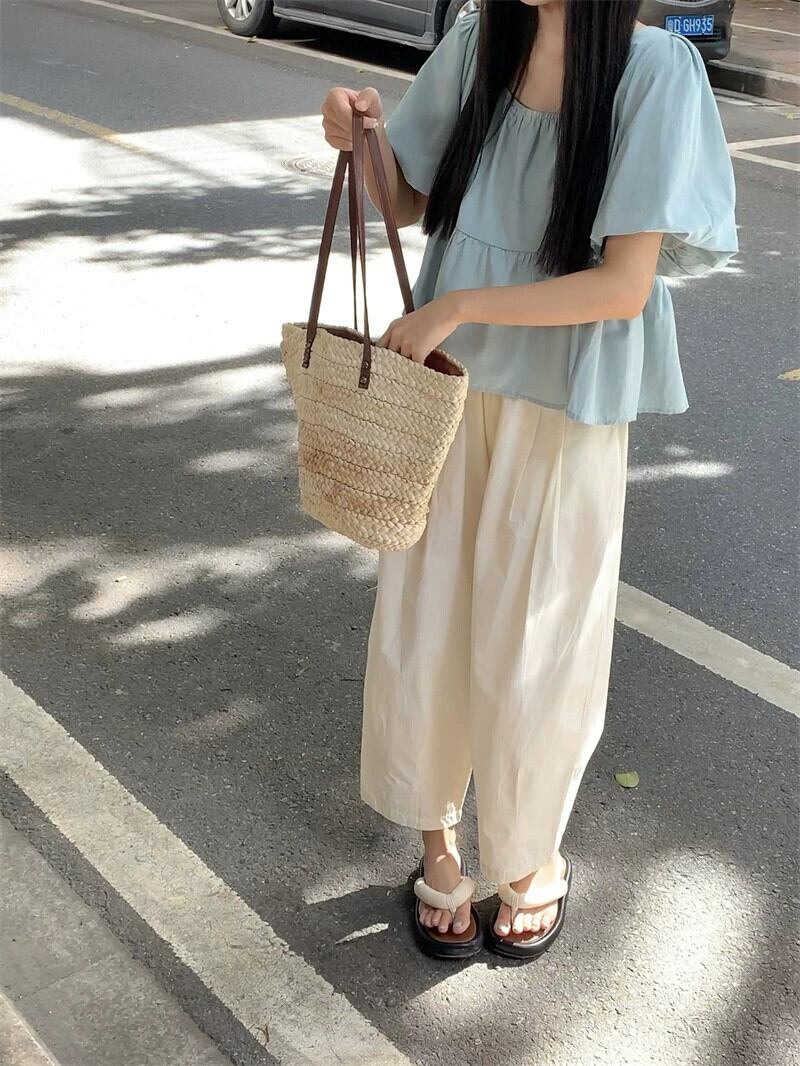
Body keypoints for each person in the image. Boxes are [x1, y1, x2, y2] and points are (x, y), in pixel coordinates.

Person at [321, 0, 737, 961]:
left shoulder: (655, 72)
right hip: (444, 389)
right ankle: (438, 848)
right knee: (426, 616)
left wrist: (459, 305)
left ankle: (526, 855)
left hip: (565, 396)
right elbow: (406, 202)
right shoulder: (479, 39)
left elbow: (622, 287)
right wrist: (360, 135)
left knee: (541, 639)